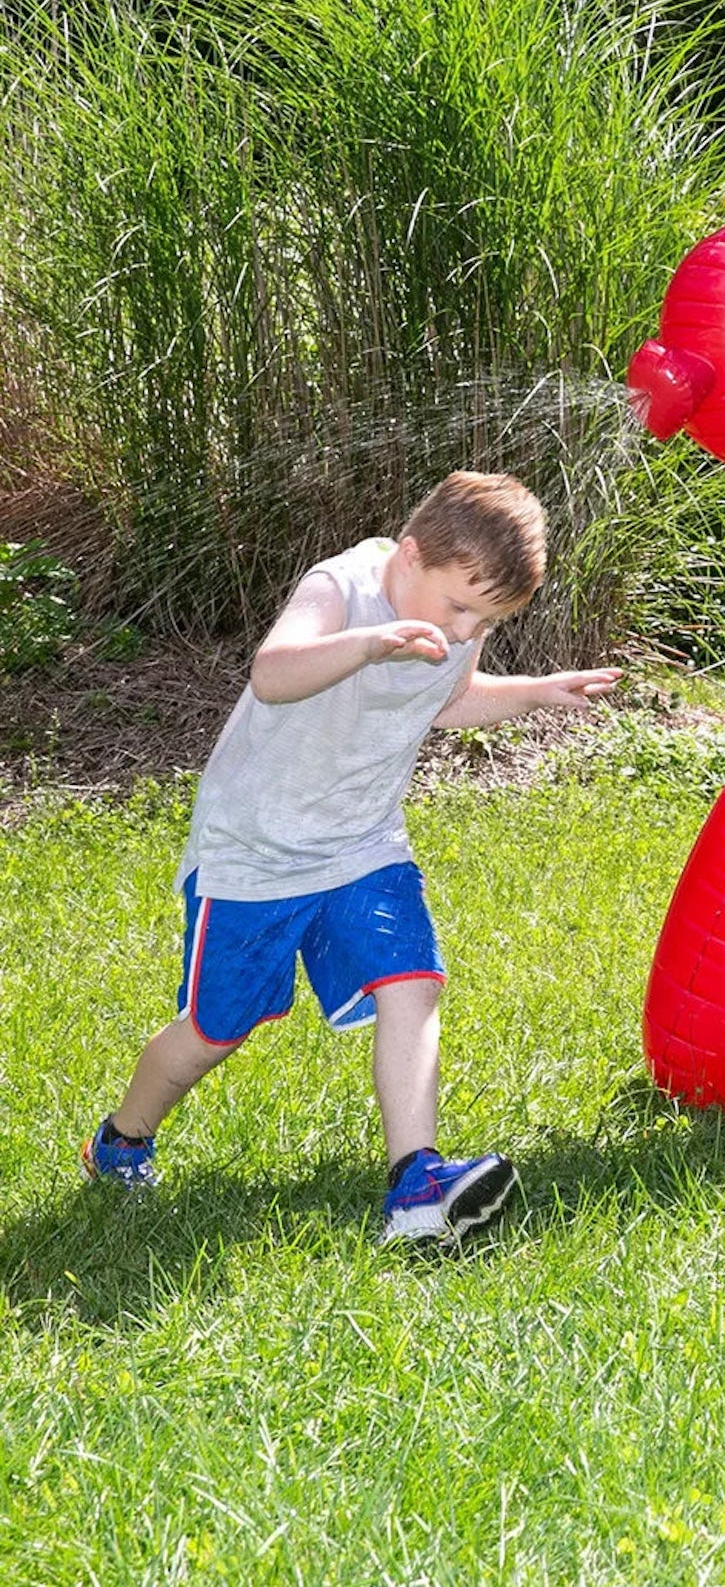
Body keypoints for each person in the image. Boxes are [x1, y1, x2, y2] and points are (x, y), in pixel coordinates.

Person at [82, 471, 620, 1244]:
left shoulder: (454, 613)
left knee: (414, 981)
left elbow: (448, 699)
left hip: (364, 843)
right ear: (409, 555)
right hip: (256, 853)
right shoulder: (342, 587)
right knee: (216, 1028)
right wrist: (368, 644)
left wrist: (534, 690)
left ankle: (417, 1182)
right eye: (460, 608)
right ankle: (122, 1141)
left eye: (486, 619)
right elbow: (274, 673)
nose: (467, 630)